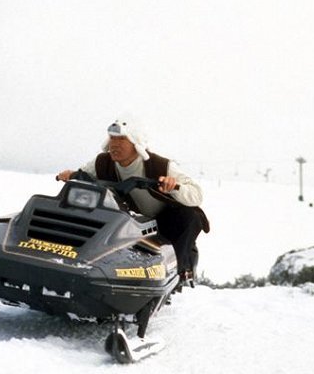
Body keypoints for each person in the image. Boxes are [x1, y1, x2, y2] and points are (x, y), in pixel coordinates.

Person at [57, 119, 209, 285]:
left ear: (136, 142)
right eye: (112, 138)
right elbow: (83, 175)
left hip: (166, 220)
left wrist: (173, 186)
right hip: (130, 219)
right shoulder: (102, 162)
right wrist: (70, 175)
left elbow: (197, 194)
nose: (114, 144)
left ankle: (179, 274)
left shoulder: (160, 165)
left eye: (121, 139)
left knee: (188, 216)